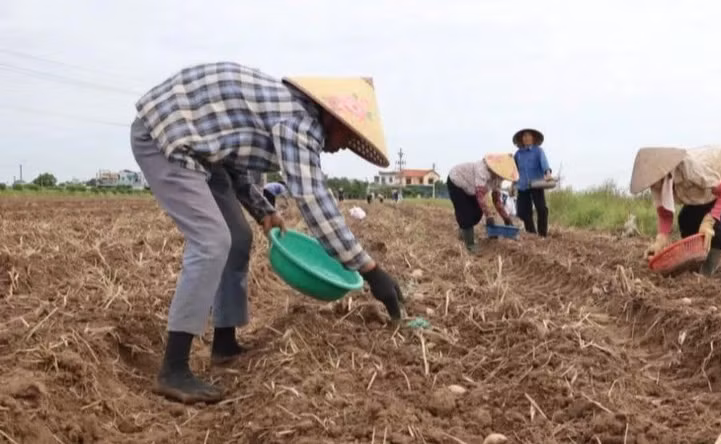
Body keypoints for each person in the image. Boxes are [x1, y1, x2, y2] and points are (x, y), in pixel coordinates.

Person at [130, 62, 404, 404]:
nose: (342, 146)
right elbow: (314, 201)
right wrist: (370, 270)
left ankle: (224, 343)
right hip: (163, 137)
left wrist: (264, 211)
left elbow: (231, 159)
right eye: (347, 135)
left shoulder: (285, 113)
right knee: (212, 242)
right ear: (332, 118)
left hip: (203, 154)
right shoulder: (298, 124)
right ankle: (173, 369)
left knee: (239, 239)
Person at [629, 145, 721, 276]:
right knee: (687, 220)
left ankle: (707, 269)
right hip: (705, 190)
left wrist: (709, 220)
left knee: (720, 229)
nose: (652, 185)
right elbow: (664, 213)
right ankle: (694, 260)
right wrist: (660, 240)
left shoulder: (690, 168)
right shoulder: (656, 182)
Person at [447, 154, 517, 252]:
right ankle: (470, 245)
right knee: (465, 213)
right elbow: (479, 195)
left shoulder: (498, 179)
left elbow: (496, 199)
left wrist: (506, 218)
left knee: (477, 213)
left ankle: (463, 231)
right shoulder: (483, 170)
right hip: (457, 181)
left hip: (471, 188)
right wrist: (489, 216)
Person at [512, 128, 553, 237]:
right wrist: (512, 185)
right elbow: (514, 170)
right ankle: (532, 233)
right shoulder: (518, 154)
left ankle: (542, 234)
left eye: (528, 136)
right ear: (521, 139)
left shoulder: (538, 151)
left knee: (541, 209)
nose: (526, 138)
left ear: (533, 138)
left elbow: (544, 163)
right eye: (524, 136)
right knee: (522, 212)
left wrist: (547, 173)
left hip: (536, 183)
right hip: (522, 185)